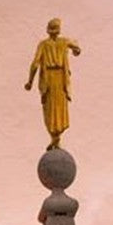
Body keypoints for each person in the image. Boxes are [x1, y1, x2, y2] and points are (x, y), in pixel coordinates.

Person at [24, 18, 82, 150]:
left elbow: (35, 64)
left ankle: (55, 140)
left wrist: (30, 82)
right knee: (53, 110)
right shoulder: (60, 42)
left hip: (55, 79)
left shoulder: (46, 44)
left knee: (53, 111)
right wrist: (75, 50)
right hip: (54, 80)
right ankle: (55, 140)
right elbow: (77, 48)